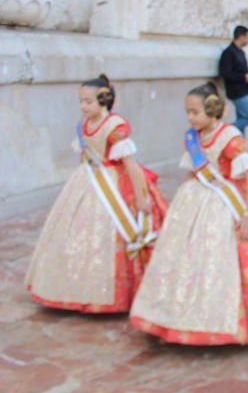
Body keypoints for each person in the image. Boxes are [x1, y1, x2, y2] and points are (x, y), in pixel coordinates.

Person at [131, 82, 248, 344]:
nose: (190, 117)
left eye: (195, 112)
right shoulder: (194, 137)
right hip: (196, 199)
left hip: (226, 205)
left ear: (212, 110)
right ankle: (174, 315)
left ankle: (227, 321)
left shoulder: (230, 138)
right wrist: (178, 202)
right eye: (188, 112)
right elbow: (193, 171)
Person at [26, 74, 168, 313]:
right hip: (88, 181)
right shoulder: (83, 125)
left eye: (88, 101)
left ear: (103, 100)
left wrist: (141, 196)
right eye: (81, 101)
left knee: (115, 235)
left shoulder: (115, 127)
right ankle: (73, 289)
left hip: (115, 186)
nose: (83, 106)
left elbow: (130, 164)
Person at [219, 25, 248, 135]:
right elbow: (225, 73)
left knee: (242, 122)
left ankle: (239, 149)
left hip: (245, 91)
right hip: (237, 92)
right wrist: (244, 78)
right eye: (247, 37)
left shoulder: (240, 52)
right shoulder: (228, 52)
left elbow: (242, 71)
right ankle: (225, 131)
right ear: (241, 36)